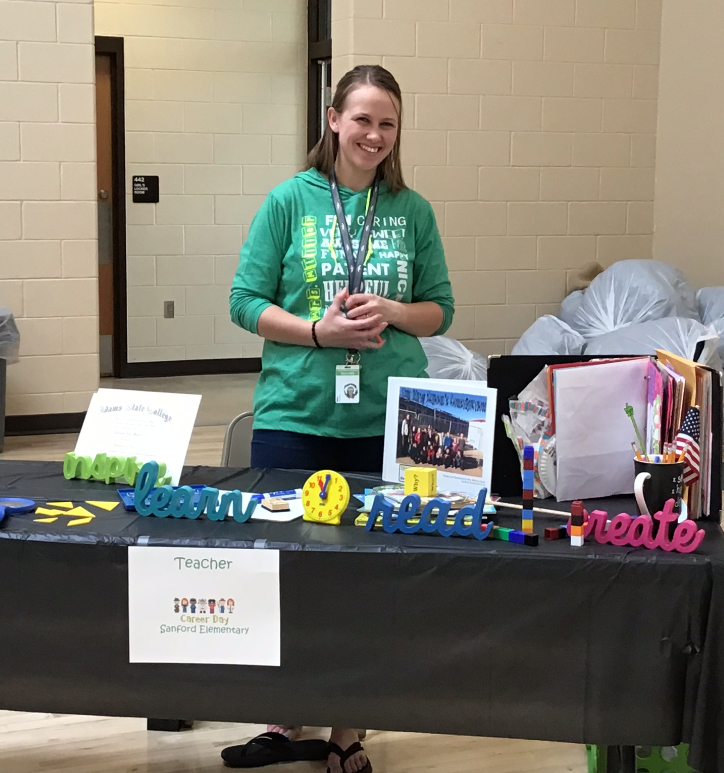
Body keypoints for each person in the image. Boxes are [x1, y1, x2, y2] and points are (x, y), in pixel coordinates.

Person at [225, 64, 454, 773]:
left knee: (370, 582)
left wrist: (390, 311)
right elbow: (243, 302)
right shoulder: (289, 202)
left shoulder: (411, 210)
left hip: (390, 421)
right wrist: (319, 334)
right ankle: (282, 716)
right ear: (332, 119)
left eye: (388, 123)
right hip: (295, 414)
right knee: (286, 575)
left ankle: (350, 730)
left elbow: (441, 308)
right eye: (362, 119)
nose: (375, 135)